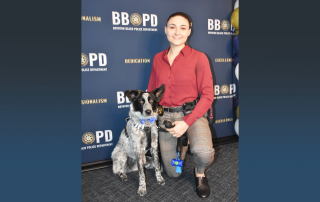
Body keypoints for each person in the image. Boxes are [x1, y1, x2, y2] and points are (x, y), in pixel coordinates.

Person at [147, 12, 215, 198]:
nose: (177, 32)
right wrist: (150, 119)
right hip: (165, 117)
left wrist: (186, 123)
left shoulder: (199, 58)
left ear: (189, 31)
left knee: (204, 153)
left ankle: (199, 172)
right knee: (173, 173)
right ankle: (183, 146)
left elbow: (208, 96)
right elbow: (151, 92)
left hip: (193, 114)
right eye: (172, 27)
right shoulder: (157, 59)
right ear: (166, 30)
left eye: (182, 28)